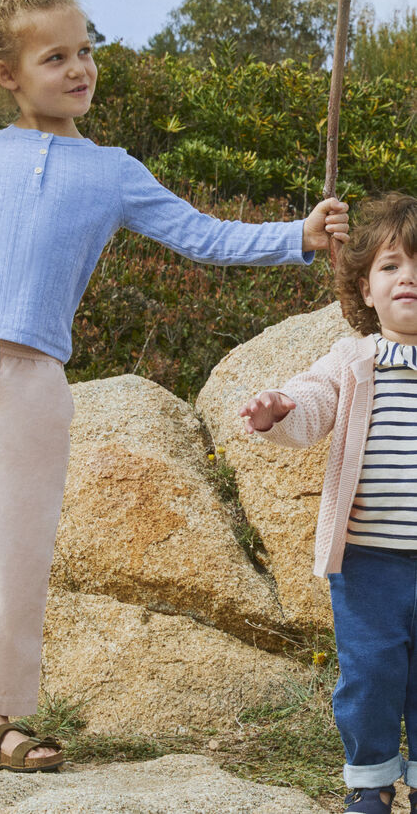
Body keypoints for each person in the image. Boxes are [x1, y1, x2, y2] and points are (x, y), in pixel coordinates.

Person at [0, 0, 349, 780]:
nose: (79, 68)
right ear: (6, 73)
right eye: (55, 56)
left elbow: (203, 235)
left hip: (30, 383)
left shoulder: (111, 172)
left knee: (8, 547)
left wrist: (297, 236)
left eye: (86, 50)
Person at [240, 193, 417, 814]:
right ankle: (370, 784)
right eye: (392, 265)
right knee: (368, 679)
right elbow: (312, 401)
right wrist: (278, 410)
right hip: (369, 564)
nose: (409, 277)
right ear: (365, 289)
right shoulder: (353, 360)